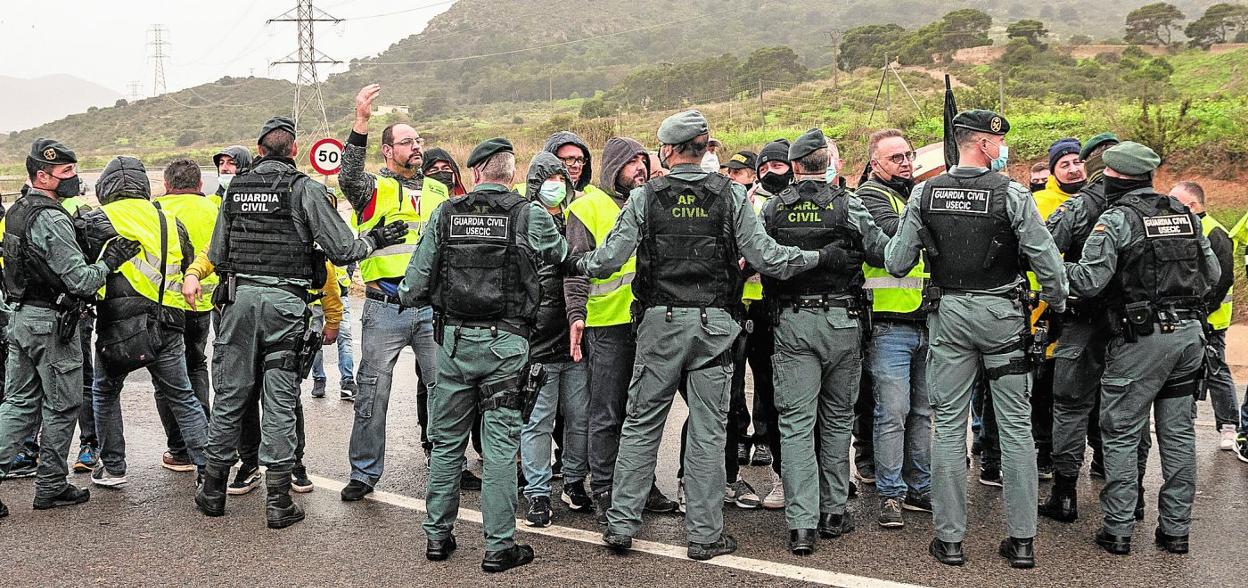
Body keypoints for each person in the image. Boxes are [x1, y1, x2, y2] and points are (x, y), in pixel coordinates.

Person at [573, 110, 843, 561]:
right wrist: (818, 258)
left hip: (659, 323)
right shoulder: (732, 195)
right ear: (703, 149)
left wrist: (574, 264)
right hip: (716, 325)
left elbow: (607, 259)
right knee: (708, 430)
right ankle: (704, 535)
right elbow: (768, 257)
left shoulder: (645, 197)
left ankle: (621, 525)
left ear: (668, 150)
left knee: (641, 423)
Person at [193, 116, 407, 529]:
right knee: (279, 401)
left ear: (258, 151)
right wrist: (377, 239)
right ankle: (277, 502)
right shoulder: (304, 189)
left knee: (231, 396)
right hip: (285, 308)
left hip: (236, 305)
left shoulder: (235, 189)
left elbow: (217, 253)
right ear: (293, 151)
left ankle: (213, 491)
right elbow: (344, 250)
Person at [885, 110, 1068, 569]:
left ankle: (949, 541)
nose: (1000, 148)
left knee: (948, 425)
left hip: (949, 316)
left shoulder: (926, 192)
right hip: (1003, 316)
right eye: (996, 140)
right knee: (1015, 428)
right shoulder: (1013, 193)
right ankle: (1022, 541)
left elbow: (897, 262)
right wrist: (1058, 304)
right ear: (983, 145)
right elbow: (1046, 262)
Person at [399, 137, 568, 572]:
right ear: (510, 174)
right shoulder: (529, 214)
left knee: (447, 443)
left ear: (475, 173)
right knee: (499, 448)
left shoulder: (445, 213)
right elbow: (564, 257)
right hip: (506, 345)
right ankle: (498, 547)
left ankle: (437, 538)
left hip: (452, 344)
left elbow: (415, 284)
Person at [1064, 142, 1217, 556]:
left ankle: (1117, 528)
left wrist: (1051, 266)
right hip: (1189, 337)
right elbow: (1213, 273)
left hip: (1141, 340)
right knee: (1178, 436)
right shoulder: (1185, 214)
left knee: (1120, 431)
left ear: (1111, 177)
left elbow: (1087, 282)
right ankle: (1175, 531)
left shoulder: (1117, 218)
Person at [760, 128, 890, 555]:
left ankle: (801, 526)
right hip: (843, 322)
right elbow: (882, 253)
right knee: (837, 419)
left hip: (792, 323)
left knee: (796, 426)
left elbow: (757, 258)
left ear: (795, 167)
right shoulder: (850, 205)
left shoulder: (773, 209)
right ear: (828, 163)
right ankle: (834, 511)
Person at [0, 139, 139, 517]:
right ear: (42, 176)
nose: (74, 178)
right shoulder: (50, 217)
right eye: (66, 173)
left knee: (18, 404)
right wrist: (110, 261)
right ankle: (51, 485)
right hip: (52, 323)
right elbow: (80, 280)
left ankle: (46, 482)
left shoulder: (17, 210)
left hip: (23, 318)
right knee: (63, 406)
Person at [338, 84, 453, 501]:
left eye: (418, 140)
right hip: (384, 308)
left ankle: (445, 466)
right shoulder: (372, 189)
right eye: (406, 142)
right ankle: (364, 474)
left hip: (431, 309)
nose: (416, 147)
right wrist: (361, 122)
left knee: (445, 391)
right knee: (373, 391)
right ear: (388, 151)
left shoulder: (440, 191)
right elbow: (347, 175)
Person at [75, 156, 209, 490]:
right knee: (183, 397)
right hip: (168, 322)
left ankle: (114, 467)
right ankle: (209, 471)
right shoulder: (169, 221)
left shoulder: (94, 221)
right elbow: (189, 265)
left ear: (106, 187)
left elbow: (81, 273)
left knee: (105, 392)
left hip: (117, 327)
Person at [565, 136, 679, 524]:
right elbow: (576, 267)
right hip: (606, 325)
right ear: (614, 167)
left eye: (643, 161)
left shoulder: (651, 203)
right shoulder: (587, 206)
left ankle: (641, 487)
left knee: (641, 414)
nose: (640, 169)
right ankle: (605, 490)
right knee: (607, 414)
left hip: (647, 323)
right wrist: (575, 314)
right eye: (631, 163)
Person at [1040, 132, 1122, 521]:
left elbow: (1042, 248)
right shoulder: (1161, 205)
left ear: (1093, 165)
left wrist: (1060, 286)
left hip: (1082, 321)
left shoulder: (1080, 206)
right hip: (1132, 328)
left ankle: (1065, 494)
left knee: (1070, 408)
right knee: (1127, 411)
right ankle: (1129, 495)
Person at [856, 128, 933, 528]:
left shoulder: (912, 195)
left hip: (927, 319)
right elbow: (889, 246)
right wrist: (928, 209)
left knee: (922, 413)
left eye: (908, 155)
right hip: (889, 325)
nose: (905, 162)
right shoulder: (870, 197)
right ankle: (890, 494)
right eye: (895, 158)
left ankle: (919, 485)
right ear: (875, 165)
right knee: (893, 413)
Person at [518, 152, 593, 526]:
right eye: (549, 179)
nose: (556, 186)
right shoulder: (523, 221)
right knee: (539, 421)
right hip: (538, 338)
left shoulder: (575, 220)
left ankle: (575, 481)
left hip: (577, 337)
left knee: (579, 417)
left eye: (561, 179)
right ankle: (536, 492)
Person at [151, 158, 218, 473]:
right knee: (197, 366)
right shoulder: (215, 210)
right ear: (200, 184)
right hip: (204, 303)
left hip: (166, 306)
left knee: (166, 380)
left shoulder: (155, 211)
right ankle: (204, 438)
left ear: (166, 184)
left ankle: (179, 449)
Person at [1170, 181, 1238, 451]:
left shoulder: (1215, 233)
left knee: (1216, 370)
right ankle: (1188, 420)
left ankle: (1230, 426)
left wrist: (1201, 312)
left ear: (1192, 206)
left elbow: (1222, 280)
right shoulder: (1182, 229)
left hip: (1211, 319)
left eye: (1175, 202)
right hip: (1188, 316)